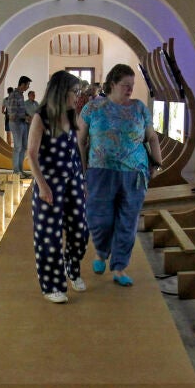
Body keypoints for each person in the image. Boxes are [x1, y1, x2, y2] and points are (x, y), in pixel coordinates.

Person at [79, 64, 162, 287]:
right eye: (125, 85)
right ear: (113, 83)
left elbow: (152, 137)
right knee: (99, 218)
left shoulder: (139, 108)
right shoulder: (93, 107)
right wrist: (83, 170)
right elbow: (80, 141)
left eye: (132, 85)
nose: (130, 89)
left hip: (134, 173)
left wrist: (157, 164)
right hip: (100, 171)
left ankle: (119, 267)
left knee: (128, 220)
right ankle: (101, 252)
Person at [26, 71, 88, 304]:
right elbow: (31, 155)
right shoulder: (41, 117)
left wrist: (82, 180)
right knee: (49, 236)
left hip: (73, 180)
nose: (78, 96)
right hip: (49, 183)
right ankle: (52, 285)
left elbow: (75, 150)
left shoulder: (72, 114)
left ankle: (72, 267)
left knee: (80, 230)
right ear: (62, 91)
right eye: (75, 92)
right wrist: (42, 186)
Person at [6, 75, 32, 177]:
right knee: (17, 147)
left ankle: (21, 170)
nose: (28, 87)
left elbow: (21, 110)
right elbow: (12, 115)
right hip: (16, 124)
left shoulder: (21, 95)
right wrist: (25, 117)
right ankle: (16, 172)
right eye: (27, 85)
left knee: (24, 146)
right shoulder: (13, 95)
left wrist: (27, 116)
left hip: (22, 123)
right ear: (22, 84)